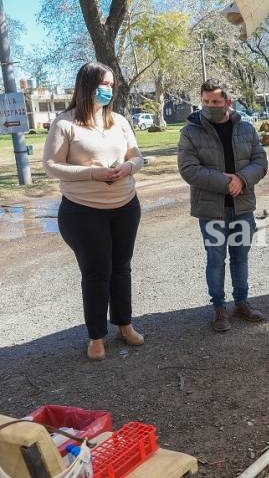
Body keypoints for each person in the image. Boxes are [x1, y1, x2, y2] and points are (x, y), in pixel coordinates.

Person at [43, 61, 144, 361]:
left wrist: (129, 166)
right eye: (104, 85)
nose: (109, 91)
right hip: (83, 212)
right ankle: (96, 336)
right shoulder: (65, 123)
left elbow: (137, 156)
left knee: (121, 268)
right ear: (87, 87)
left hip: (126, 207)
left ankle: (124, 325)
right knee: (97, 272)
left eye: (112, 86)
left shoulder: (120, 122)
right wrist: (91, 174)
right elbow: (51, 165)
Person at [178, 79, 268, 332]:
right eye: (205, 101)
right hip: (211, 209)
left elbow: (260, 161)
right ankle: (219, 307)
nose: (209, 106)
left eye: (215, 102)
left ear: (228, 102)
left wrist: (242, 179)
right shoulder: (190, 131)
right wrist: (225, 182)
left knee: (240, 257)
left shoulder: (247, 129)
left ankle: (242, 302)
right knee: (216, 259)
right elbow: (188, 169)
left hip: (242, 207)